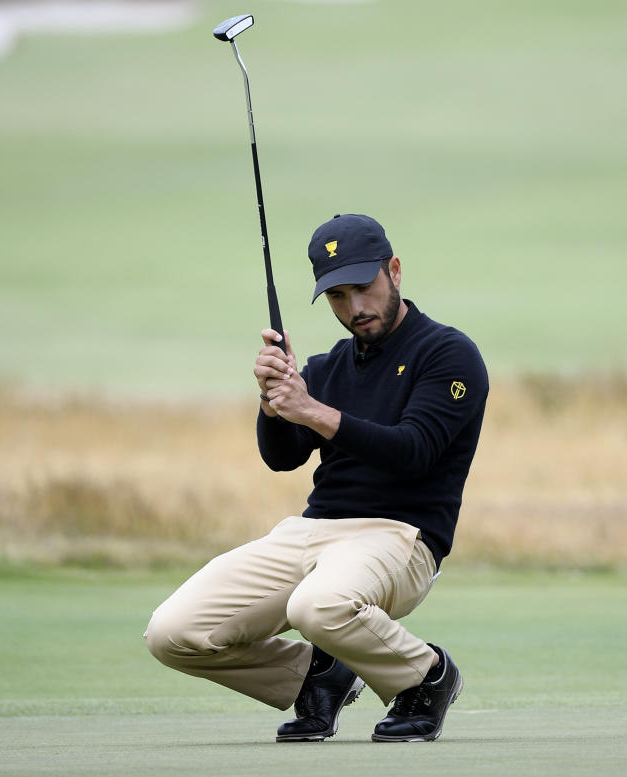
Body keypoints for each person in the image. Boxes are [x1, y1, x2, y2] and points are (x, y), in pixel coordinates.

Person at [144, 213, 488, 742]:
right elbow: (281, 458)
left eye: (364, 288)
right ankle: (315, 675)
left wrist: (312, 410)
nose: (355, 309)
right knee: (173, 633)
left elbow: (414, 452)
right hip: (312, 532)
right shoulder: (326, 369)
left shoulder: (447, 354)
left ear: (394, 271)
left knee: (316, 606)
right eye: (337, 297)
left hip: (401, 536)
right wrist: (273, 399)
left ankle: (425, 676)